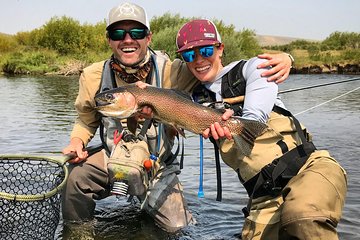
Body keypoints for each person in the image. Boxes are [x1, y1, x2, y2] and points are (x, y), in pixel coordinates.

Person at [61, 2, 293, 236]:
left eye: (137, 33)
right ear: (109, 39)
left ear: (149, 38)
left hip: (157, 165)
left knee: (176, 229)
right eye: (118, 33)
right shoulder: (92, 77)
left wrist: (285, 58)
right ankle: (80, 233)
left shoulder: (175, 70)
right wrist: (77, 142)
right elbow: (85, 119)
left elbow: (218, 70)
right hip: (113, 158)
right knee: (75, 178)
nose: (128, 39)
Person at [174, 19, 347, 239]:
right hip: (263, 198)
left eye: (206, 50)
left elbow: (256, 117)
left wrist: (288, 58)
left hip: (308, 170)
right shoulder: (193, 98)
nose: (199, 60)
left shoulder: (252, 68)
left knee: (302, 217)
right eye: (189, 55)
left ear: (220, 49)